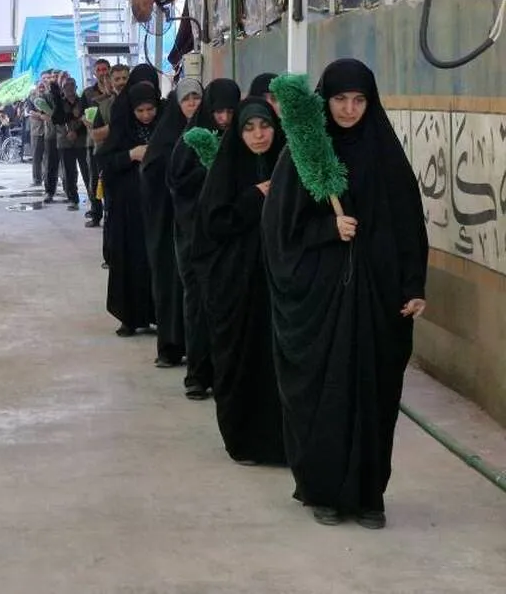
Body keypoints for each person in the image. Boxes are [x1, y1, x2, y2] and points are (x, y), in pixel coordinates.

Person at [262, 59, 427, 529]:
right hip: (321, 301)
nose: (350, 109)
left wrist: (414, 285)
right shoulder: (303, 155)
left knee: (375, 397)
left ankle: (369, 495)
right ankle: (325, 492)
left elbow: (408, 226)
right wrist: (327, 229)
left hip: (379, 301)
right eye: (339, 99)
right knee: (326, 396)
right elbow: (279, 232)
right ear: (324, 101)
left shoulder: (386, 155)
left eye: (359, 100)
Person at [192, 96, 286, 466]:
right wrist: (254, 196)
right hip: (236, 287)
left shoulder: (288, 166)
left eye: (265, 126)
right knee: (241, 359)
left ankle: (284, 441)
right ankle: (243, 440)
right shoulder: (226, 170)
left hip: (280, 285)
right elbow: (213, 226)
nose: (259, 135)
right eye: (249, 128)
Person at [168, 78, 240, 401]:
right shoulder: (191, 139)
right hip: (195, 237)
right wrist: (210, 168)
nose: (223, 118)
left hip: (230, 236)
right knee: (198, 303)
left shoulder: (242, 137)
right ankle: (197, 375)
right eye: (218, 111)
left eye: (230, 112)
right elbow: (177, 182)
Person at [140, 78, 202, 367]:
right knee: (169, 283)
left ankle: (198, 350)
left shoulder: (211, 132)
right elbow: (150, 173)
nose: (192, 103)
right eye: (186, 98)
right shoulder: (166, 134)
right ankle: (171, 347)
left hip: (198, 224)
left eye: (196, 98)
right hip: (167, 222)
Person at [99, 80, 161, 336]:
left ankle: (158, 315)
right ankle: (130, 317)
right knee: (129, 260)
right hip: (128, 209)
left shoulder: (164, 128)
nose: (146, 116)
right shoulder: (122, 130)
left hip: (158, 207)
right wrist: (130, 155)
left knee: (156, 262)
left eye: (150, 109)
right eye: (140, 111)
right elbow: (105, 162)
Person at [81, 59, 115, 228]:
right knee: (94, 180)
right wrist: (87, 122)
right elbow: (81, 114)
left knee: (111, 179)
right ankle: (96, 214)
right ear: (95, 73)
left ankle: (111, 214)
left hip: (113, 142)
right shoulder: (88, 93)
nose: (102, 73)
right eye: (99, 70)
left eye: (105, 69)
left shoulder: (116, 92)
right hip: (93, 142)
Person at [51, 76, 90, 210]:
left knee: (87, 170)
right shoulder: (60, 103)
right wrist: (72, 115)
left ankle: (92, 197)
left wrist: (77, 132)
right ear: (63, 89)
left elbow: (88, 119)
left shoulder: (82, 102)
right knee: (69, 172)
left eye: (71, 85)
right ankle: (73, 198)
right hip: (65, 142)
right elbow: (56, 119)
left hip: (81, 141)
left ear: (76, 87)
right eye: (66, 86)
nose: (69, 88)